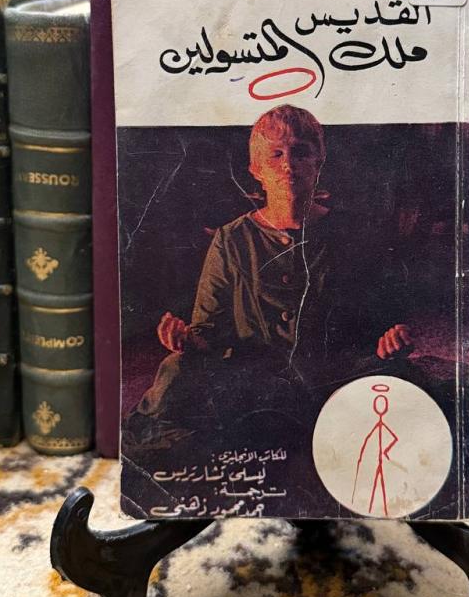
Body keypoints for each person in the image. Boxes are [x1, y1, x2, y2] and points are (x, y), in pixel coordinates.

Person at [134, 104, 414, 421]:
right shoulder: (231, 239)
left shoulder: (353, 232)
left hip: (333, 374)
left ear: (318, 161)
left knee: (400, 383)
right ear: (257, 170)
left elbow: (380, 317)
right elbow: (207, 330)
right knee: (176, 372)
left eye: (300, 153)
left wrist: (391, 339)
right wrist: (186, 339)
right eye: (276, 155)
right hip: (253, 381)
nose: (288, 165)